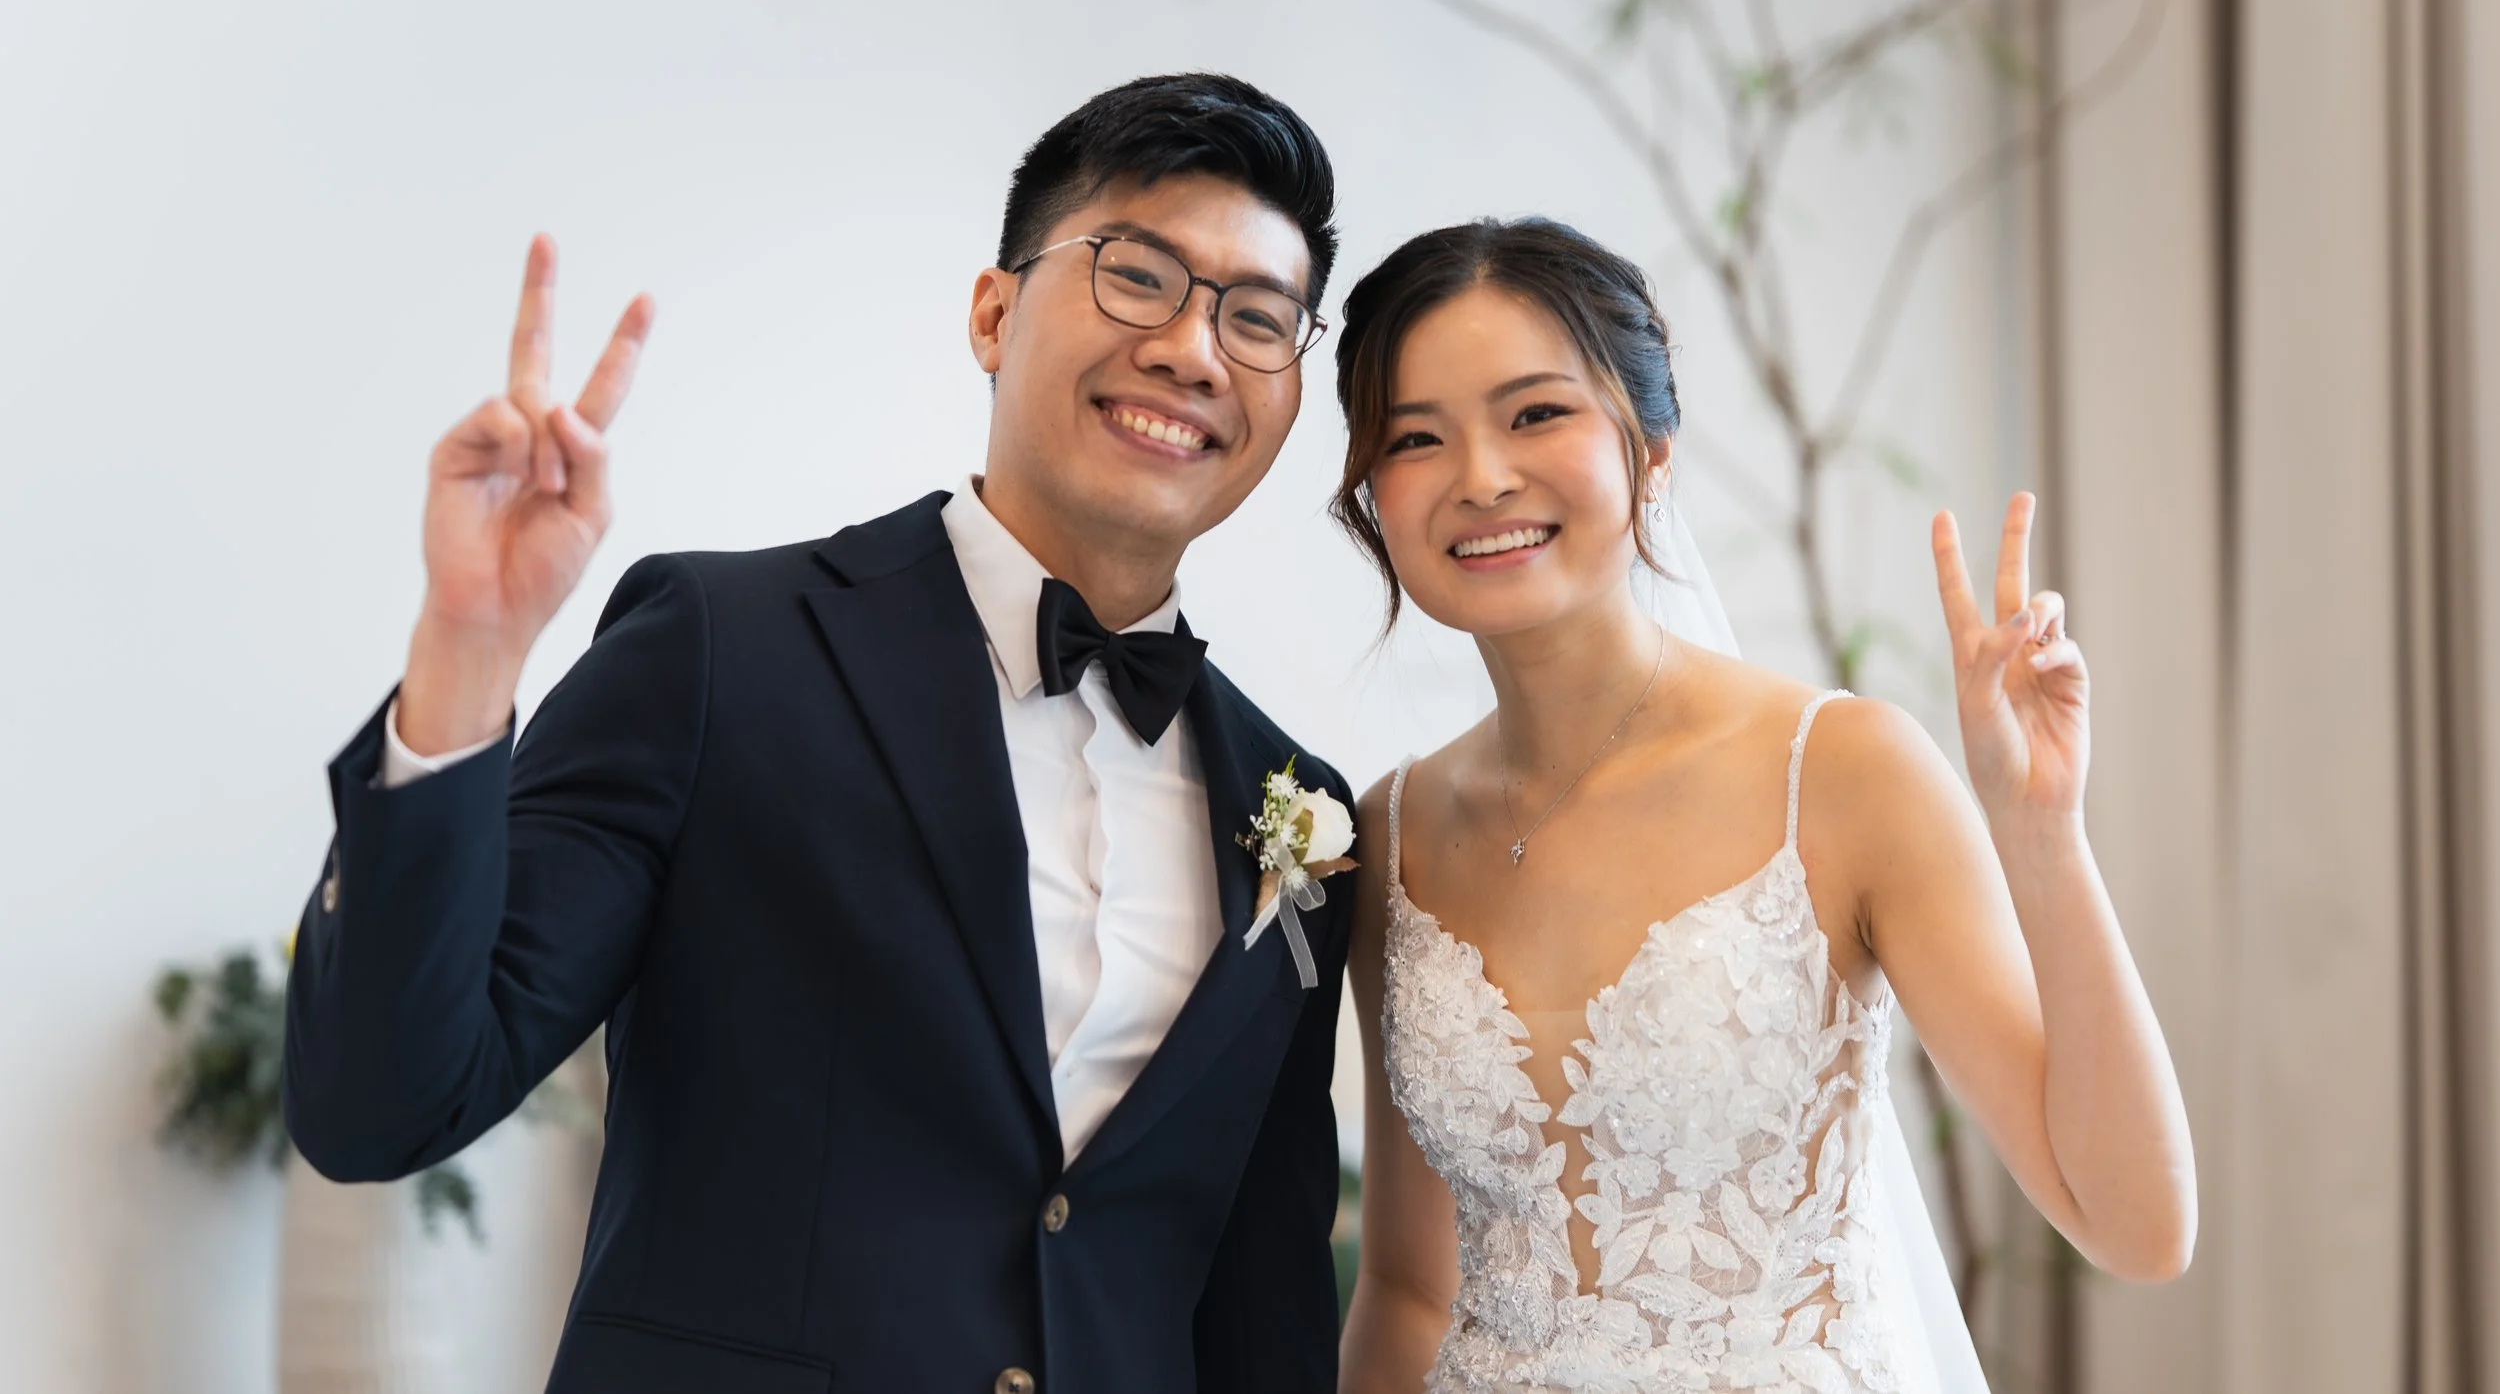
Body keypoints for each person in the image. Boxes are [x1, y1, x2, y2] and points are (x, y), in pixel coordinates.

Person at [282, 73, 1362, 1394]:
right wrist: (469, 647)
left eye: (1258, 317)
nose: (1195, 349)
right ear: (993, 310)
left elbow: (1263, 1316)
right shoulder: (721, 645)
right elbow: (382, 1098)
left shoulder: (1298, 804)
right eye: (1138, 274)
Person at [1330, 219, 2197, 1393]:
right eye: (1415, 436)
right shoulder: (1387, 836)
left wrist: (2041, 833)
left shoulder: (1840, 774)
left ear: (1654, 449)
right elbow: (1408, 1288)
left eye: (1536, 413)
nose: (1480, 475)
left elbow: (2136, 1225)